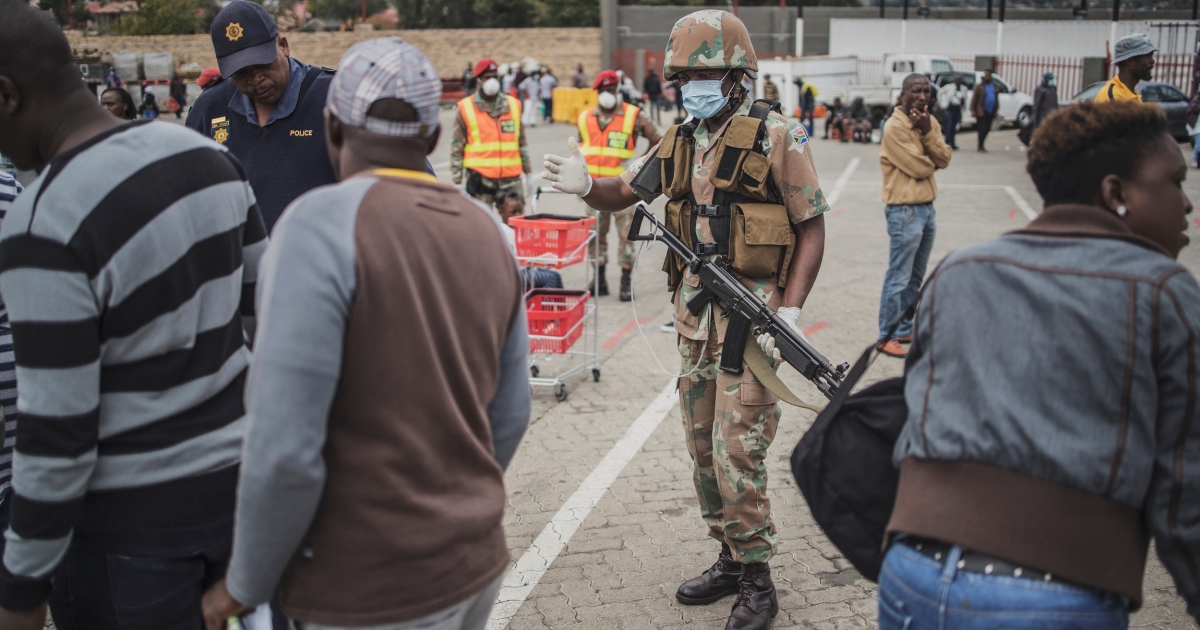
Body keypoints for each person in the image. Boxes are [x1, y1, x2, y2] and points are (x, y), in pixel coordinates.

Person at [198, 37, 531, 630]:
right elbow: (509, 414)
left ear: (333, 127)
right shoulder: (488, 232)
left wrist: (243, 582)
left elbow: (284, 449)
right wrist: (450, 505)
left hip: (365, 585)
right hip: (473, 563)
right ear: (431, 138)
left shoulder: (315, 229)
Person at [544, 12, 829, 630]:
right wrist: (587, 183)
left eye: (705, 74)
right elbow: (628, 191)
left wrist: (793, 313)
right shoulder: (682, 137)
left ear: (736, 76)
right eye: (684, 76)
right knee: (701, 449)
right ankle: (728, 556)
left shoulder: (779, 136)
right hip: (696, 324)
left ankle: (758, 579)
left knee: (737, 451)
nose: (692, 85)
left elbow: (811, 226)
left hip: (752, 329)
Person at [881, 100, 1199, 630]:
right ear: (1115, 193)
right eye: (1175, 182)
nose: (1188, 205)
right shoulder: (1164, 291)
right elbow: (1186, 491)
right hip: (1052, 594)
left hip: (909, 573)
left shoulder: (959, 269)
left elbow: (918, 416)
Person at [0, 2, 267, 627]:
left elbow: (58, 434)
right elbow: (265, 328)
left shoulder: (43, 221)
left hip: (121, 539)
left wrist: (20, 593)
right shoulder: (207, 160)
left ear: (6, 94)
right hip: (233, 500)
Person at [186, 0, 338, 232]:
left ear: (284, 45)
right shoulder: (209, 109)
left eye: (263, 64)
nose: (256, 79)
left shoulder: (333, 98)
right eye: (241, 72)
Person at [876, 74, 952, 358]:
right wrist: (931, 148)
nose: (922, 96)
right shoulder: (894, 127)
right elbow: (921, 167)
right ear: (903, 94)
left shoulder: (927, 122)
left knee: (915, 276)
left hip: (926, 208)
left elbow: (944, 157)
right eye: (916, 91)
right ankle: (886, 334)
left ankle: (905, 326)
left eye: (926, 91)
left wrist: (928, 132)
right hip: (905, 210)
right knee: (898, 275)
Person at [577, 69, 662, 300]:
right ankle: (600, 279)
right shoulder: (585, 117)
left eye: (610, 90)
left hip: (623, 189)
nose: (606, 94)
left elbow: (659, 140)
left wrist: (639, 165)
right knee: (595, 235)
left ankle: (625, 282)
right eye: (602, 91)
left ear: (617, 90)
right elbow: (580, 149)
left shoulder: (633, 115)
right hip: (593, 189)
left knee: (626, 236)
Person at [452, 58, 532, 207]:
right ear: (478, 80)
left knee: (515, 226)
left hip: (511, 180)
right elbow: (457, 147)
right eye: (487, 78)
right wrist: (457, 181)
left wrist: (529, 173)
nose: (492, 81)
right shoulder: (465, 108)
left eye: (495, 77)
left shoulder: (513, 105)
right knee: (482, 227)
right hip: (481, 180)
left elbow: (522, 143)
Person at [495, 190, 564, 290]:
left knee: (556, 275)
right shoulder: (503, 231)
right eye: (513, 212)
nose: (518, 215)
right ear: (501, 212)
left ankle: (559, 305)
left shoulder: (520, 229)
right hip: (513, 275)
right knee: (550, 279)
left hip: (524, 269)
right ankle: (543, 305)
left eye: (520, 211)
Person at [1097, 33, 1157, 103]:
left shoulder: (1133, 94)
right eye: (1148, 56)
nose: (1152, 61)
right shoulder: (1114, 97)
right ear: (1129, 61)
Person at [937, 73, 968, 150]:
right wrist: (941, 103)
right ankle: (947, 143)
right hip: (949, 110)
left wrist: (963, 106)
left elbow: (964, 99)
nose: (958, 81)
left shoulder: (963, 88)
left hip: (957, 110)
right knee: (949, 127)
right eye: (957, 79)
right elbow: (940, 92)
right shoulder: (949, 86)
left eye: (959, 79)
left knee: (954, 128)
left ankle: (953, 143)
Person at [971, 69, 999, 152]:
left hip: (991, 111)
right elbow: (974, 98)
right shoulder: (980, 86)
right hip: (981, 111)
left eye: (988, 75)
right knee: (981, 128)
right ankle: (980, 145)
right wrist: (973, 109)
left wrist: (996, 111)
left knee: (987, 128)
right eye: (985, 75)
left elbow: (996, 97)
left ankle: (982, 143)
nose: (986, 76)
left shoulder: (994, 85)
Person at [1188, 89, 1200, 167]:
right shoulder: (1196, 99)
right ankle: (1194, 160)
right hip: (1195, 126)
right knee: (1199, 144)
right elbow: (1194, 108)